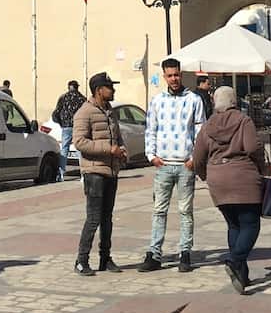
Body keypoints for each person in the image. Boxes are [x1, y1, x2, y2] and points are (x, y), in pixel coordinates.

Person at [193, 86, 266, 294]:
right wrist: (261, 168)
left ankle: (241, 276)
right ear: (234, 100)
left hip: (218, 179)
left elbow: (198, 156)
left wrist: (205, 175)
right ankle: (234, 261)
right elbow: (253, 148)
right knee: (251, 224)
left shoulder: (207, 126)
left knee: (234, 225)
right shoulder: (243, 121)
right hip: (244, 177)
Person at [139, 57, 206, 273]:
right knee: (159, 210)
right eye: (170, 75)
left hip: (185, 164)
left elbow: (200, 130)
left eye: (176, 74)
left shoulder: (194, 99)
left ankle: (185, 252)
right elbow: (151, 129)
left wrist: (194, 158)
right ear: (165, 76)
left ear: (181, 73)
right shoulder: (157, 101)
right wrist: (151, 156)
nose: (174, 79)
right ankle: (154, 253)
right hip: (164, 164)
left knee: (185, 211)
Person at [72, 72, 127, 276]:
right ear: (98, 90)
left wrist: (122, 151)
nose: (113, 90)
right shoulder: (84, 112)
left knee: (107, 218)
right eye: (110, 87)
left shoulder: (110, 111)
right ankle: (81, 260)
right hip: (94, 172)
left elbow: (117, 137)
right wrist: (108, 149)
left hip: (111, 171)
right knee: (93, 218)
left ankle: (105, 258)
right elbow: (79, 142)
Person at [52, 80, 87, 181]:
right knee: (80, 149)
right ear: (77, 87)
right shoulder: (82, 98)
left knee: (64, 149)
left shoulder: (63, 98)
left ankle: (61, 174)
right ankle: (83, 174)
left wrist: (61, 123)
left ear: (68, 87)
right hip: (78, 127)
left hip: (66, 126)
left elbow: (56, 113)